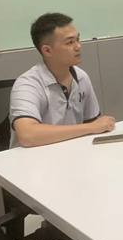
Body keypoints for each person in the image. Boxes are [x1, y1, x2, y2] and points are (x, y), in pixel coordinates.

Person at [9, 13, 115, 148]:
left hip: (70, 151)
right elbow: (27, 135)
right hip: (33, 157)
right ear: (47, 51)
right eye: (69, 42)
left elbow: (93, 123)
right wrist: (90, 127)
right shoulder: (27, 84)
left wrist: (97, 127)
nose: (78, 46)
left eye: (78, 40)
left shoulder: (81, 77)